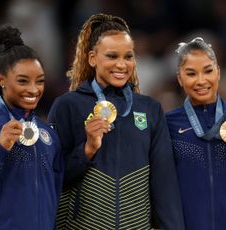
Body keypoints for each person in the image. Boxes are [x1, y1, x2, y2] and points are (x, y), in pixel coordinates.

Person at [48, 13, 185, 230]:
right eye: (112, 56)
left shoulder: (149, 109)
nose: (121, 65)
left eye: (128, 56)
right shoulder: (67, 106)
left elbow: (164, 183)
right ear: (92, 58)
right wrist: (87, 149)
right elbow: (52, 178)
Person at [0, 25, 63, 230]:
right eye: (23, 81)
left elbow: (57, 190)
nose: (33, 90)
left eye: (40, 81)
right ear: (2, 80)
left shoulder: (48, 135)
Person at [166, 37, 226, 230]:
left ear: (218, 72)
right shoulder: (168, 124)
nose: (201, 81)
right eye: (191, 73)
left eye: (208, 71)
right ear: (180, 78)